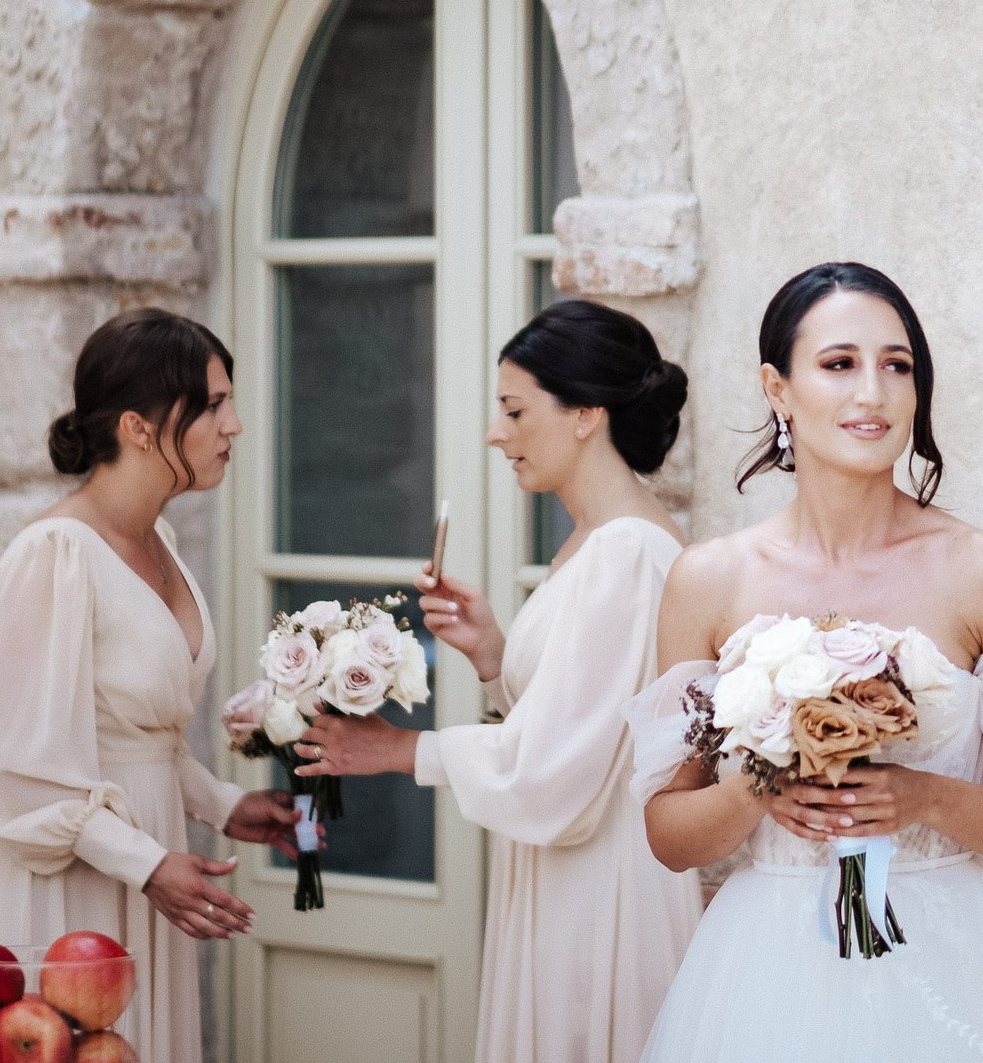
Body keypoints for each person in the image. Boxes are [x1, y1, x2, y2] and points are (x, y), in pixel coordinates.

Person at [630, 262, 983, 1063]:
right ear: (778, 389)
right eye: (840, 363)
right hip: (767, 969)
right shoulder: (708, 579)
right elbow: (669, 835)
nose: (874, 393)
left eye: (898, 366)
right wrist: (754, 791)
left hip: (950, 960)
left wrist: (920, 797)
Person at [295, 299, 703, 1063]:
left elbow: (554, 768)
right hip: (568, 868)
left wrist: (397, 751)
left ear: (586, 413)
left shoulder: (624, 555)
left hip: (601, 889)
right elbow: (585, 727)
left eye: (514, 411)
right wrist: (493, 655)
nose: (494, 434)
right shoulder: (592, 545)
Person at [0, 309, 297, 1063]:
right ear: (139, 427)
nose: (235, 425)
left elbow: (136, 736)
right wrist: (149, 864)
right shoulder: (55, 553)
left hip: (139, 878)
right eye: (215, 405)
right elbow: (18, 766)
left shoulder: (158, 543)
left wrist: (224, 805)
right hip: (59, 892)